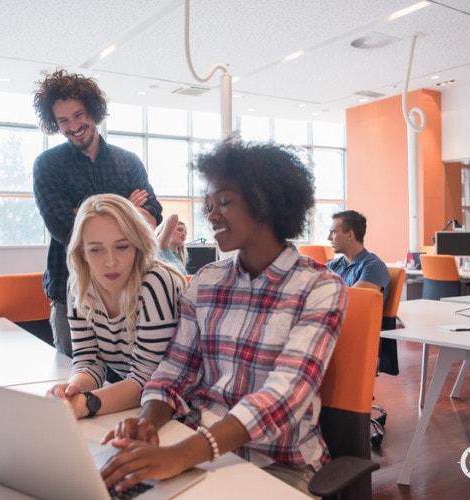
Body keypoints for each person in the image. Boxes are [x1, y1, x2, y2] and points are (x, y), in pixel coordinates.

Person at [99, 138, 348, 496]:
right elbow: (174, 370)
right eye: (210, 204)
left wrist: (182, 455)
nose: (212, 215)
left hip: (279, 465)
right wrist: (147, 422)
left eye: (225, 202)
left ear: (267, 202)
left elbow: (284, 395)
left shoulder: (320, 288)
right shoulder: (205, 281)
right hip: (194, 449)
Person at [32, 69, 163, 357]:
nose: (73, 126)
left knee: (133, 378)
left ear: (93, 111)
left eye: (79, 115)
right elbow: (63, 227)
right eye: (63, 120)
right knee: (75, 378)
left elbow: (153, 216)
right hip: (72, 290)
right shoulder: (47, 165)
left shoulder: (128, 162)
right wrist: (127, 207)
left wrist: (84, 211)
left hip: (130, 288)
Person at [47, 194, 185, 419]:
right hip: (143, 408)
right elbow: (88, 360)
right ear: (82, 253)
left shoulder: (155, 282)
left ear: (138, 246)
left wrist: (87, 403)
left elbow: (148, 380)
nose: (110, 261)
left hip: (180, 408)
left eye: (121, 247)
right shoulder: (79, 287)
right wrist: (73, 389)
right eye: (96, 250)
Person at [327, 210, 390, 304]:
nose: (329, 238)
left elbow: (351, 302)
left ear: (350, 235)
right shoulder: (332, 266)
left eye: (334, 232)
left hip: (351, 318)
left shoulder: (374, 267)